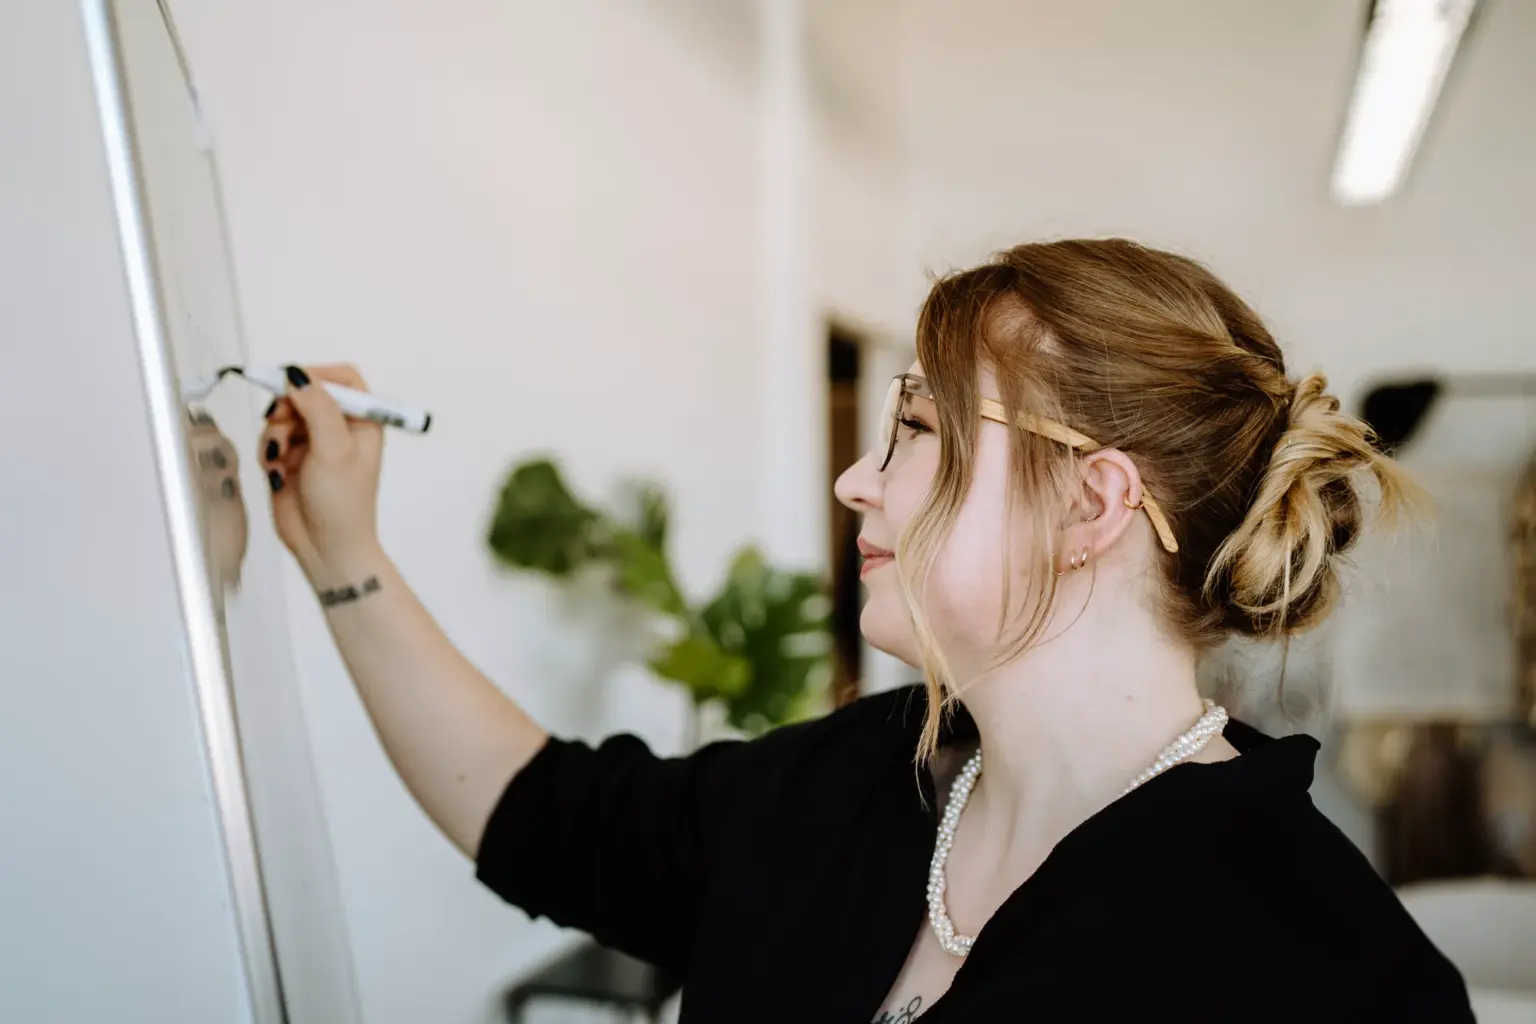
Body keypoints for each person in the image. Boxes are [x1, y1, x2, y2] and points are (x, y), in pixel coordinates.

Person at [259, 239, 1473, 1021]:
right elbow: (546, 818)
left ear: (1091, 505)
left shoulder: (1328, 971)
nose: (857, 479)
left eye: (920, 427)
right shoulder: (858, 779)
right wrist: (342, 554)